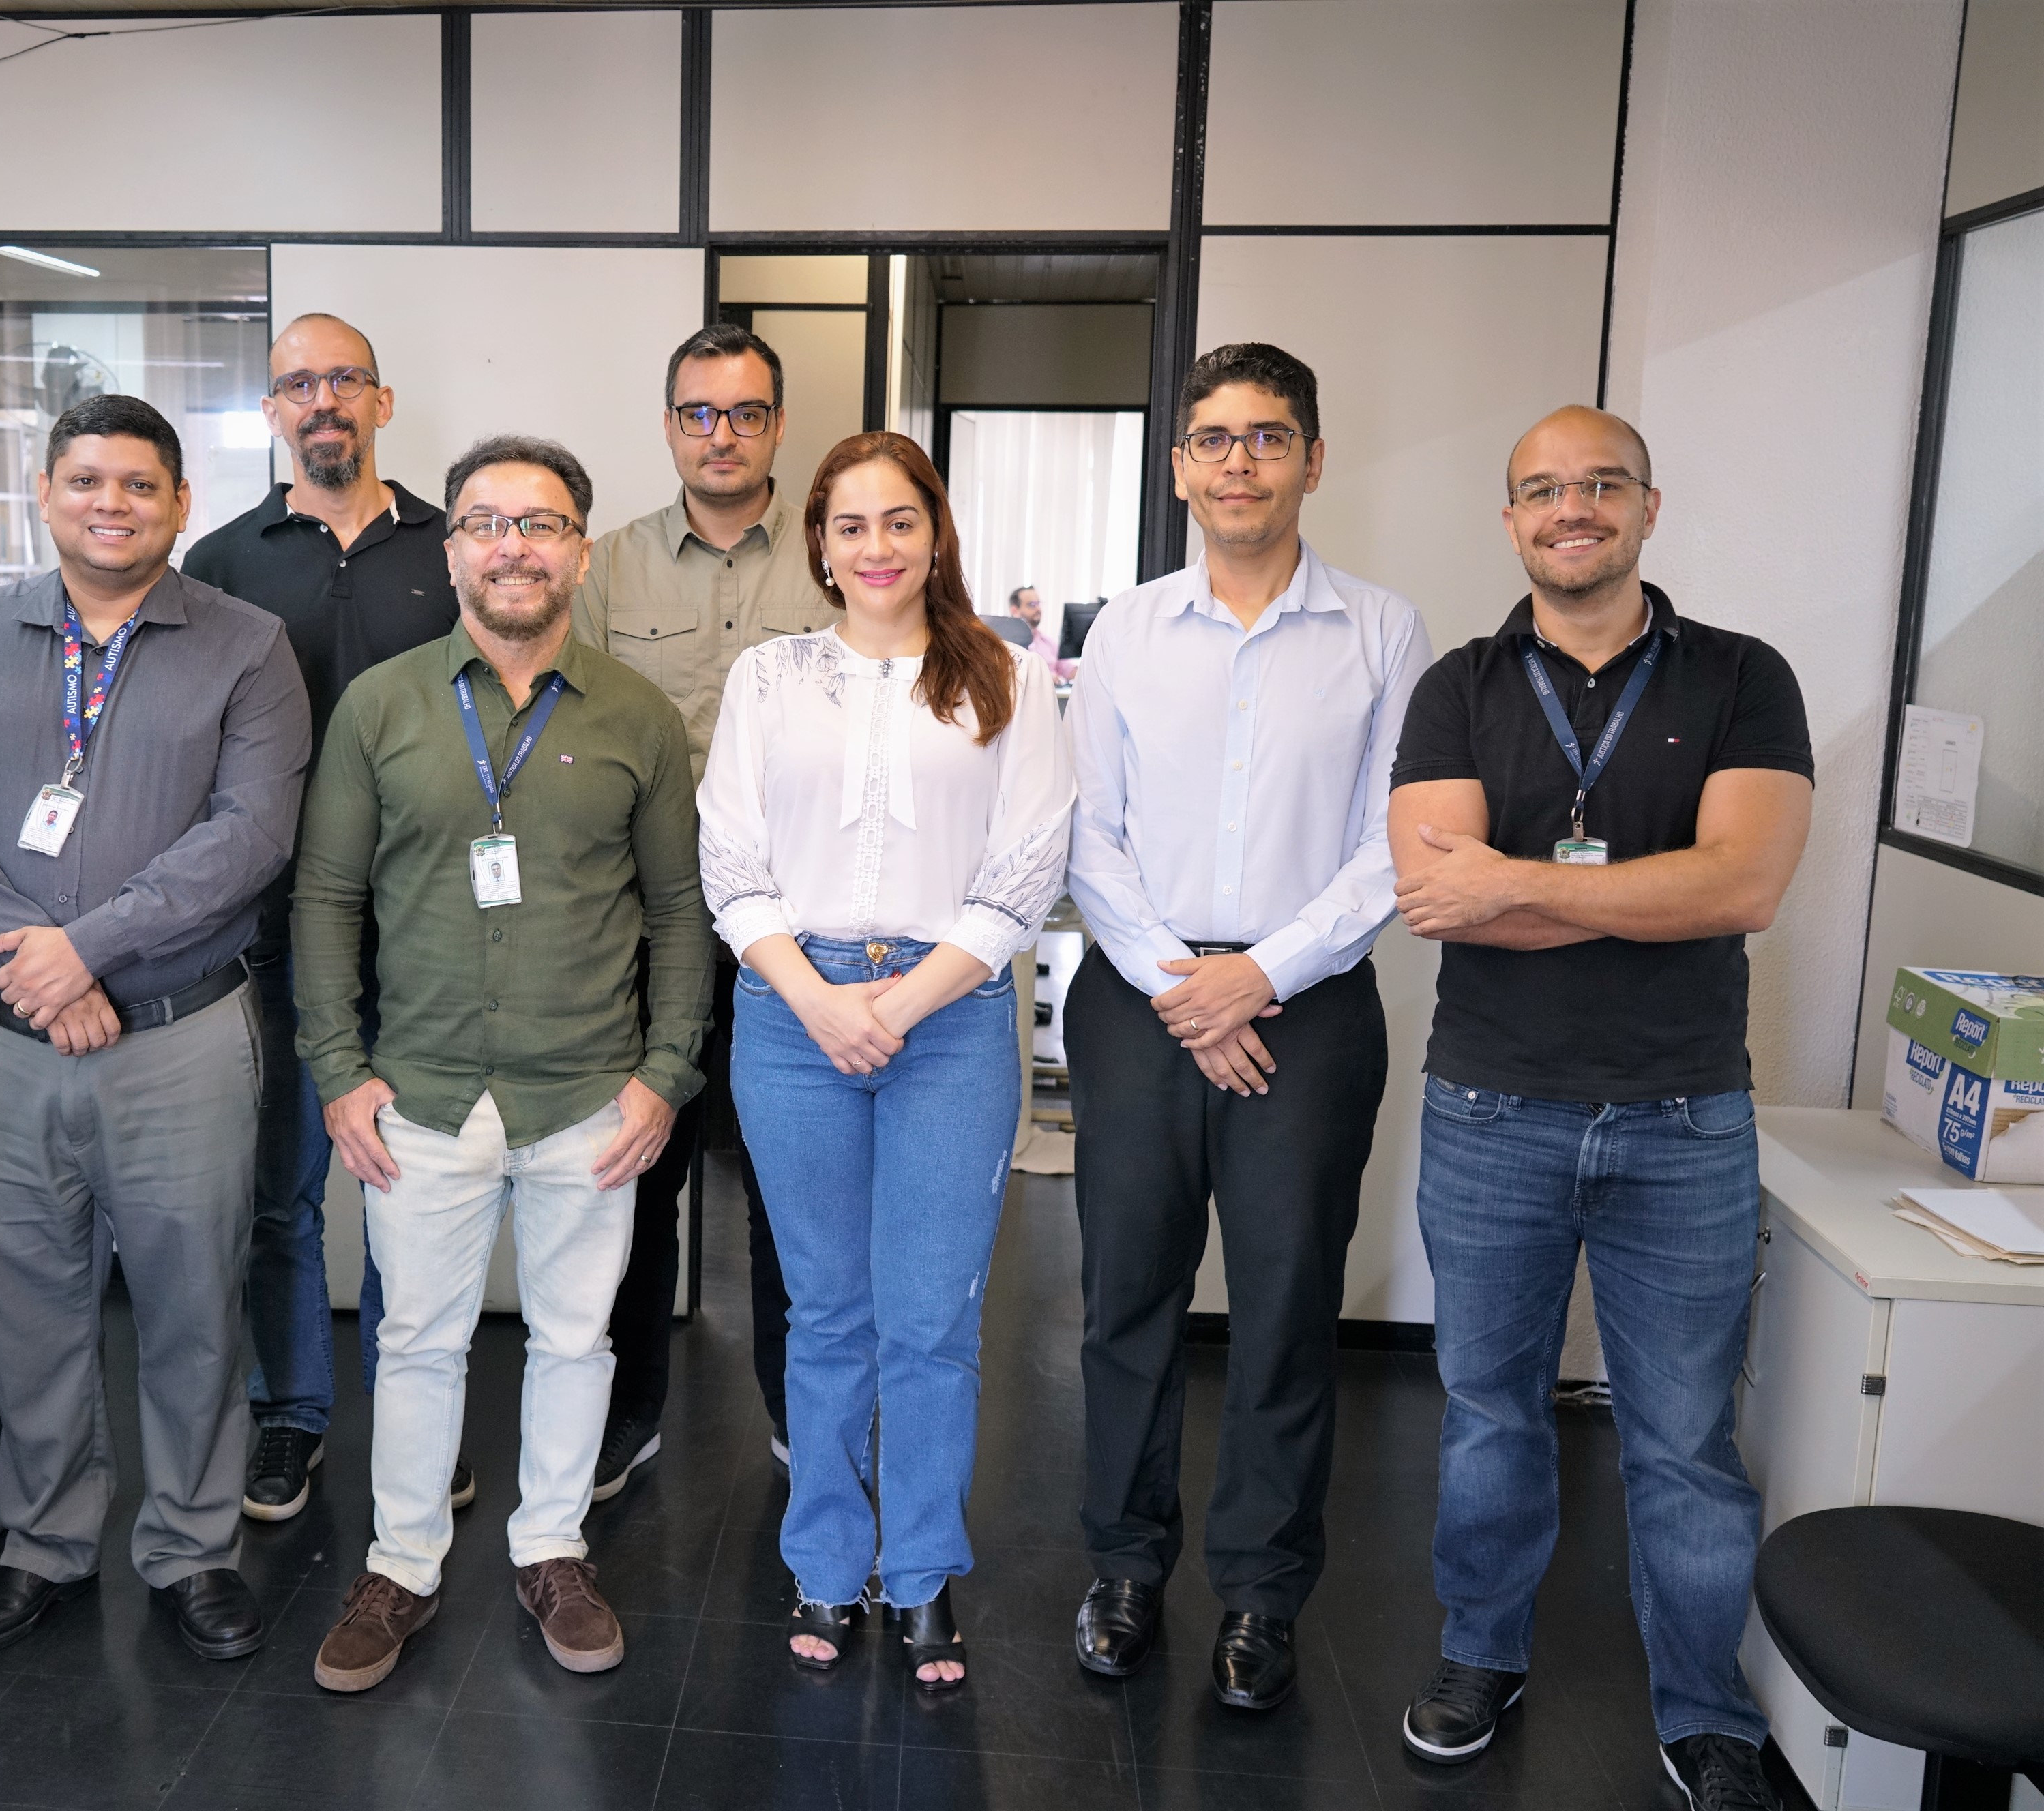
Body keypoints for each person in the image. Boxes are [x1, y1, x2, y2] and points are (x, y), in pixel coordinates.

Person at [1387, 406, 1811, 1810]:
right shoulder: (1456, 684)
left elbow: (1742, 886)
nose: (1574, 509)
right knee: (1488, 1411)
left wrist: (1520, 879)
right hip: (1491, 1112)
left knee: (1684, 1436)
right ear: (1511, 520)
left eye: (1601, 486)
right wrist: (1646, 892)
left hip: (1683, 1121)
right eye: (1544, 491)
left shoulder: (1747, 679)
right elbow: (1438, 896)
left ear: (1648, 505)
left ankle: (1705, 1712)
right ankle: (1480, 1651)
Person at [0, 395, 312, 1667]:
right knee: (24, 1297)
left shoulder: (246, 645)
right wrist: (39, 970)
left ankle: (189, 1546)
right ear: (43, 493)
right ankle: (45, 1544)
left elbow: (248, 835)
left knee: (190, 1301)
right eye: (85, 481)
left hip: (178, 1032)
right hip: (5, 1036)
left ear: (179, 505)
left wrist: (88, 949)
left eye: (138, 485)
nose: (110, 504)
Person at [297, 436, 707, 1691]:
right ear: (452, 546)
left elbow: (680, 911)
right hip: (414, 1090)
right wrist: (337, 1069)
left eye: (539, 524)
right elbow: (323, 897)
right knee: (416, 1338)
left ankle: (550, 1549)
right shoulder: (383, 704)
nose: (511, 546)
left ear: (579, 547)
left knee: (576, 1338)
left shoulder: (636, 714)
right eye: (484, 523)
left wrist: (665, 1072)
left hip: (589, 1089)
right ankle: (401, 1565)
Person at [1061, 344, 1432, 1709]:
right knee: (1127, 1300)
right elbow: (1088, 835)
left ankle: (1263, 1594)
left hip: (1310, 1007)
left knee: (1285, 1308)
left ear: (1312, 459)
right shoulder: (1122, 630)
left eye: (1268, 438)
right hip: (1140, 1001)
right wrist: (1184, 982)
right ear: (1179, 466)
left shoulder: (1384, 630)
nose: (1238, 462)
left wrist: (1259, 974)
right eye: (1213, 439)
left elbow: (1395, 842)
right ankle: (1123, 1562)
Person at [700, 431, 1073, 1691]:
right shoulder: (767, 679)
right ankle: (822, 1559)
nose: (874, 547)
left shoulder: (1005, 675)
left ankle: (918, 1572)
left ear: (935, 532)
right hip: (790, 1007)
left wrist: (898, 1003)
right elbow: (729, 864)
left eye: (898, 521)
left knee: (929, 1321)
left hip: (949, 1017)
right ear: (818, 540)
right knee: (825, 1313)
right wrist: (819, 1000)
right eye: (848, 524)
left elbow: (1027, 868)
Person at [180, 313, 464, 1523]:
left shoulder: (453, 550)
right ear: (272, 411)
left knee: (419, 1189)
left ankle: (419, 1415)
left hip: (432, 927)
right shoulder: (222, 560)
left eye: (343, 380)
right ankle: (290, 1417)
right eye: (298, 383)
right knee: (283, 1187)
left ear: (381, 403)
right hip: (277, 925)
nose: (323, 401)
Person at [571, 322, 830, 1497]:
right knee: (633, 1176)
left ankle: (800, 1416)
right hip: (647, 927)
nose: (719, 434)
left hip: (800, 931)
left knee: (789, 1187)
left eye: (743, 413)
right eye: (696, 413)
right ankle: (624, 1418)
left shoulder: (836, 560)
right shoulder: (606, 565)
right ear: (668, 422)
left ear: (776, 424)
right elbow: (561, 735)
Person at [1009, 584, 1071, 679]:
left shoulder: (1049, 643)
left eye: (1038, 604)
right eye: (1032, 605)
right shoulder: (1008, 644)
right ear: (1015, 611)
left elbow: (1068, 670)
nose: (1038, 609)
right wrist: (1046, 678)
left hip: (1054, 693)